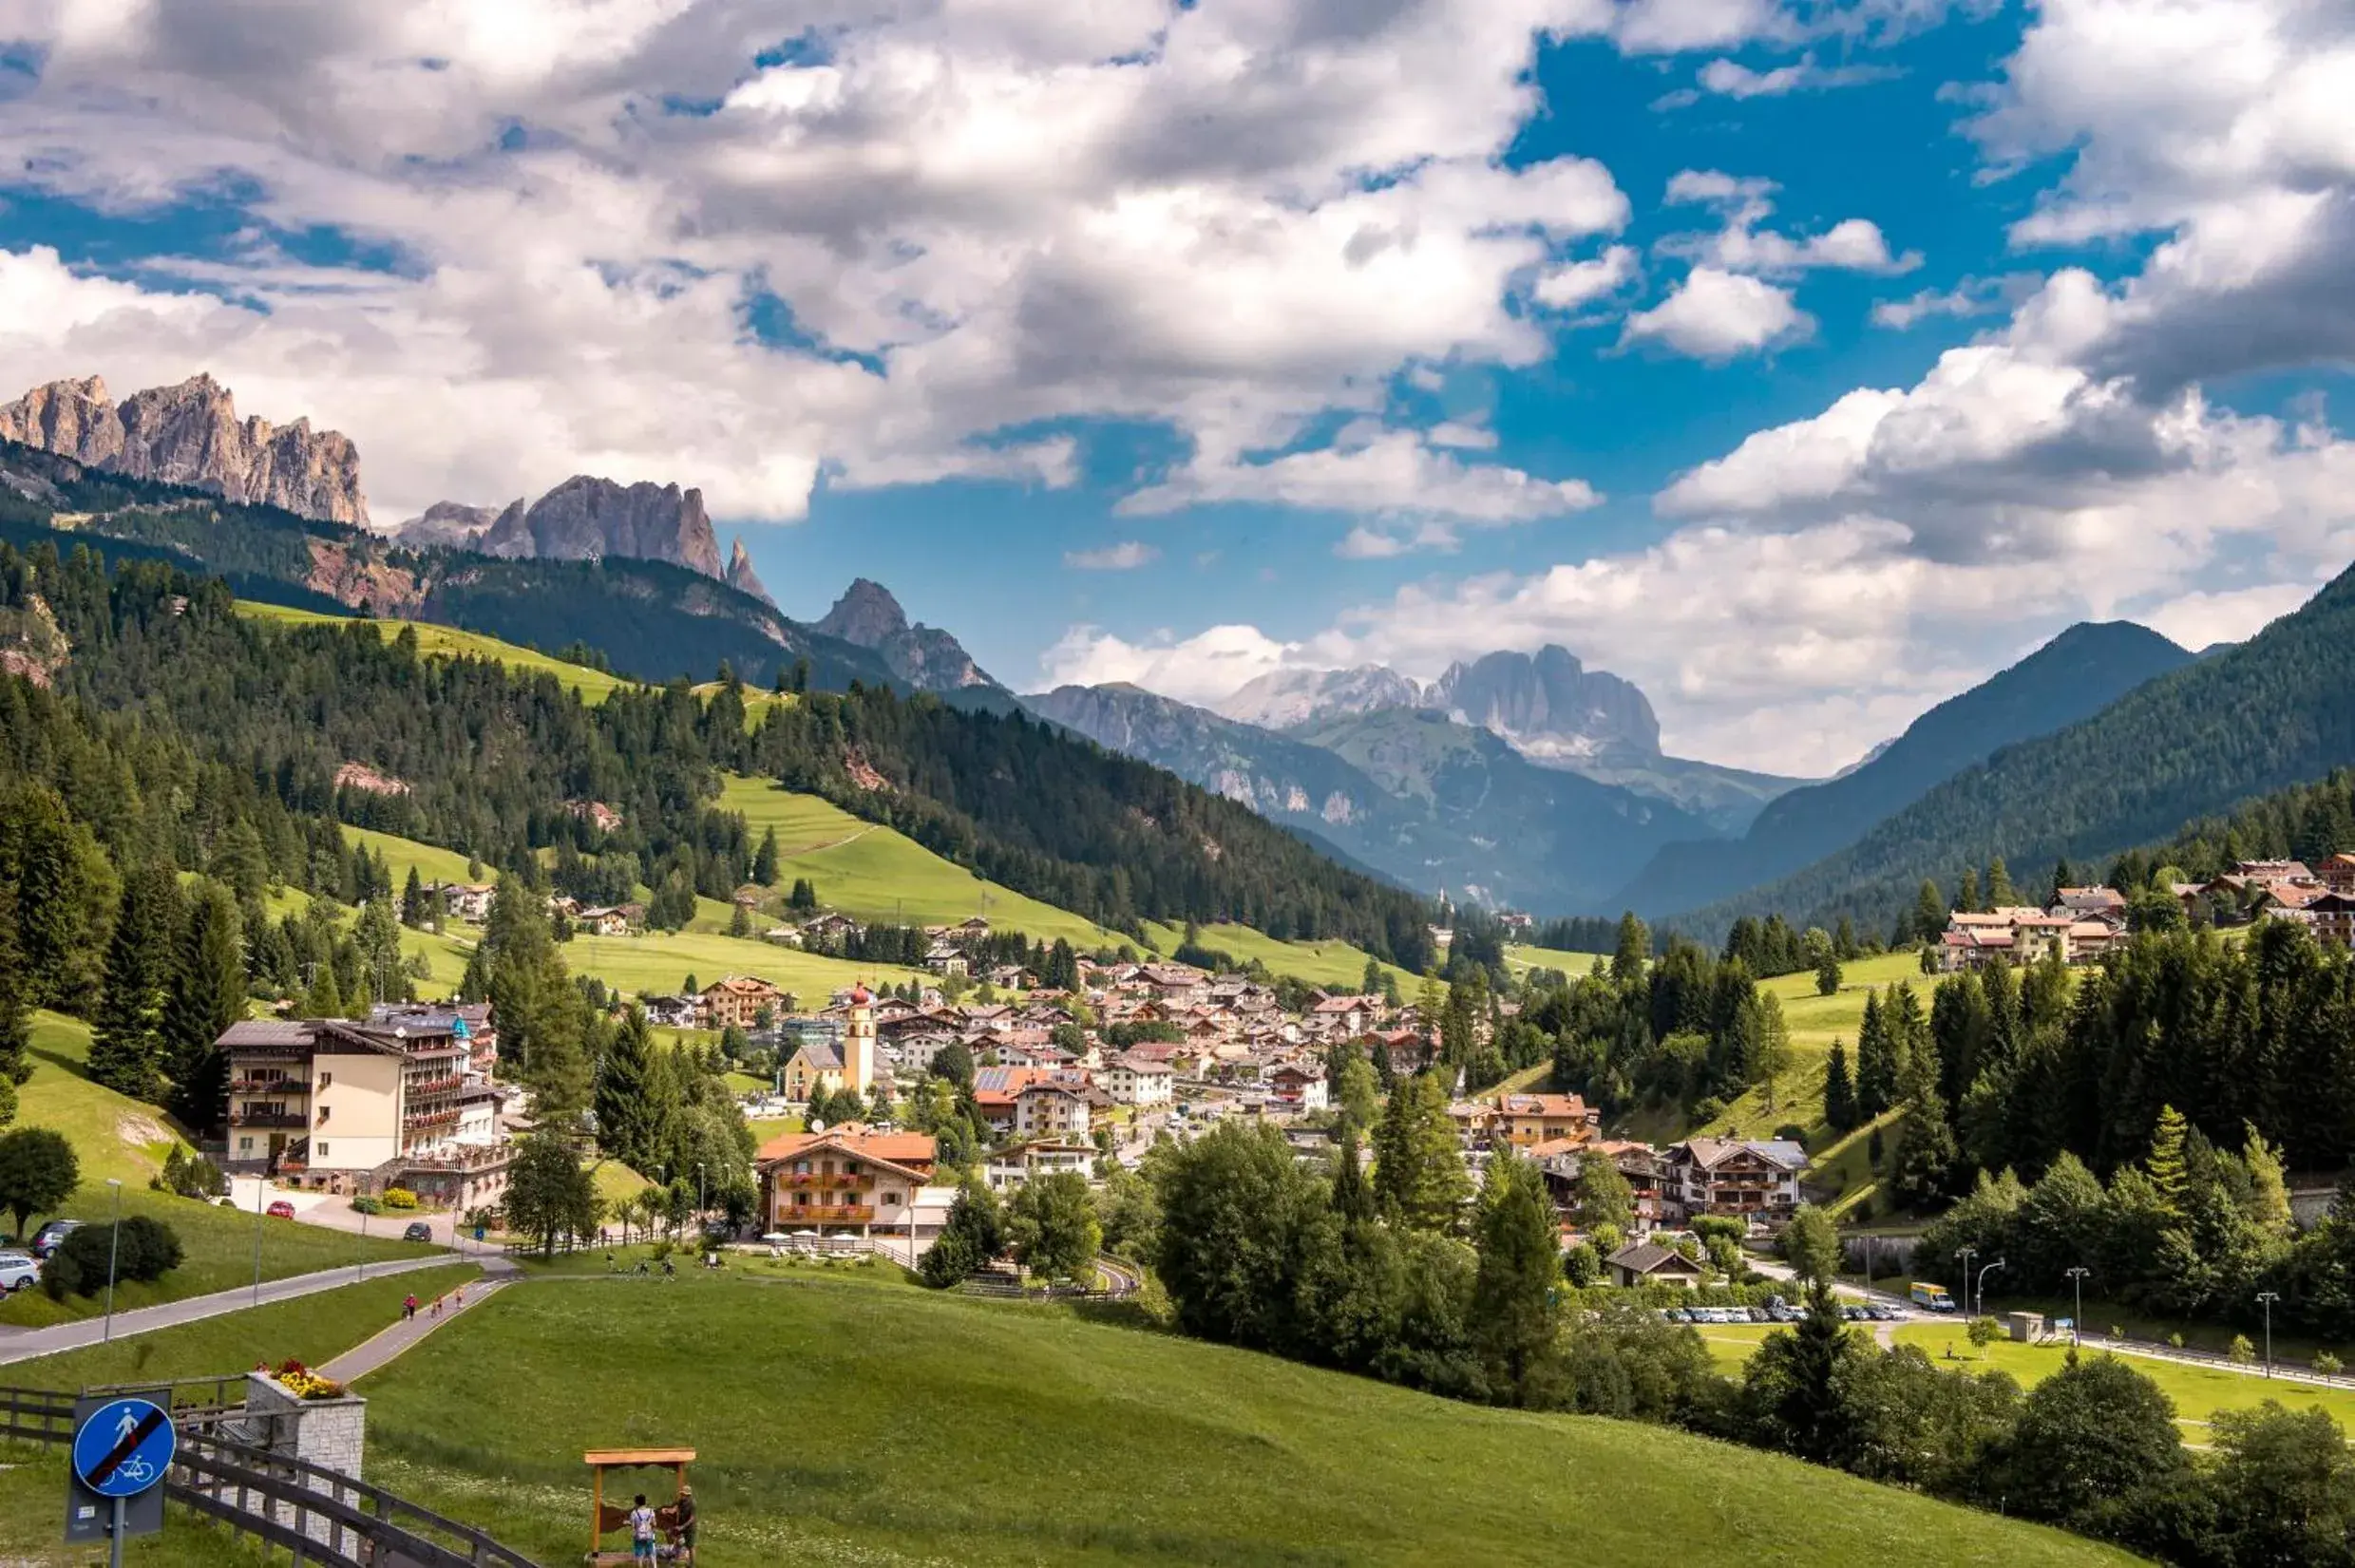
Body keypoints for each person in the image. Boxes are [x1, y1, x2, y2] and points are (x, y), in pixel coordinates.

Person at [628, 1493, 657, 1562]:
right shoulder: (651, 1511)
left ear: (637, 1503)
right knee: (650, 1553)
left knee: (639, 1556)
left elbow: (633, 1526)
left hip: (639, 1536)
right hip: (649, 1535)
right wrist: (652, 1528)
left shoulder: (634, 1513)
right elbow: (654, 1524)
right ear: (645, 1502)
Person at [671, 1483, 696, 1561]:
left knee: (690, 1546)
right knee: (676, 1540)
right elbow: (675, 1507)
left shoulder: (693, 1503)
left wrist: (683, 1527)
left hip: (689, 1527)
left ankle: (691, 1564)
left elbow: (692, 1518)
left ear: (688, 1495)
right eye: (681, 1494)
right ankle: (676, 1558)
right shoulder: (681, 1501)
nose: (682, 1495)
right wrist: (669, 1510)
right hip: (681, 1524)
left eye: (683, 1494)